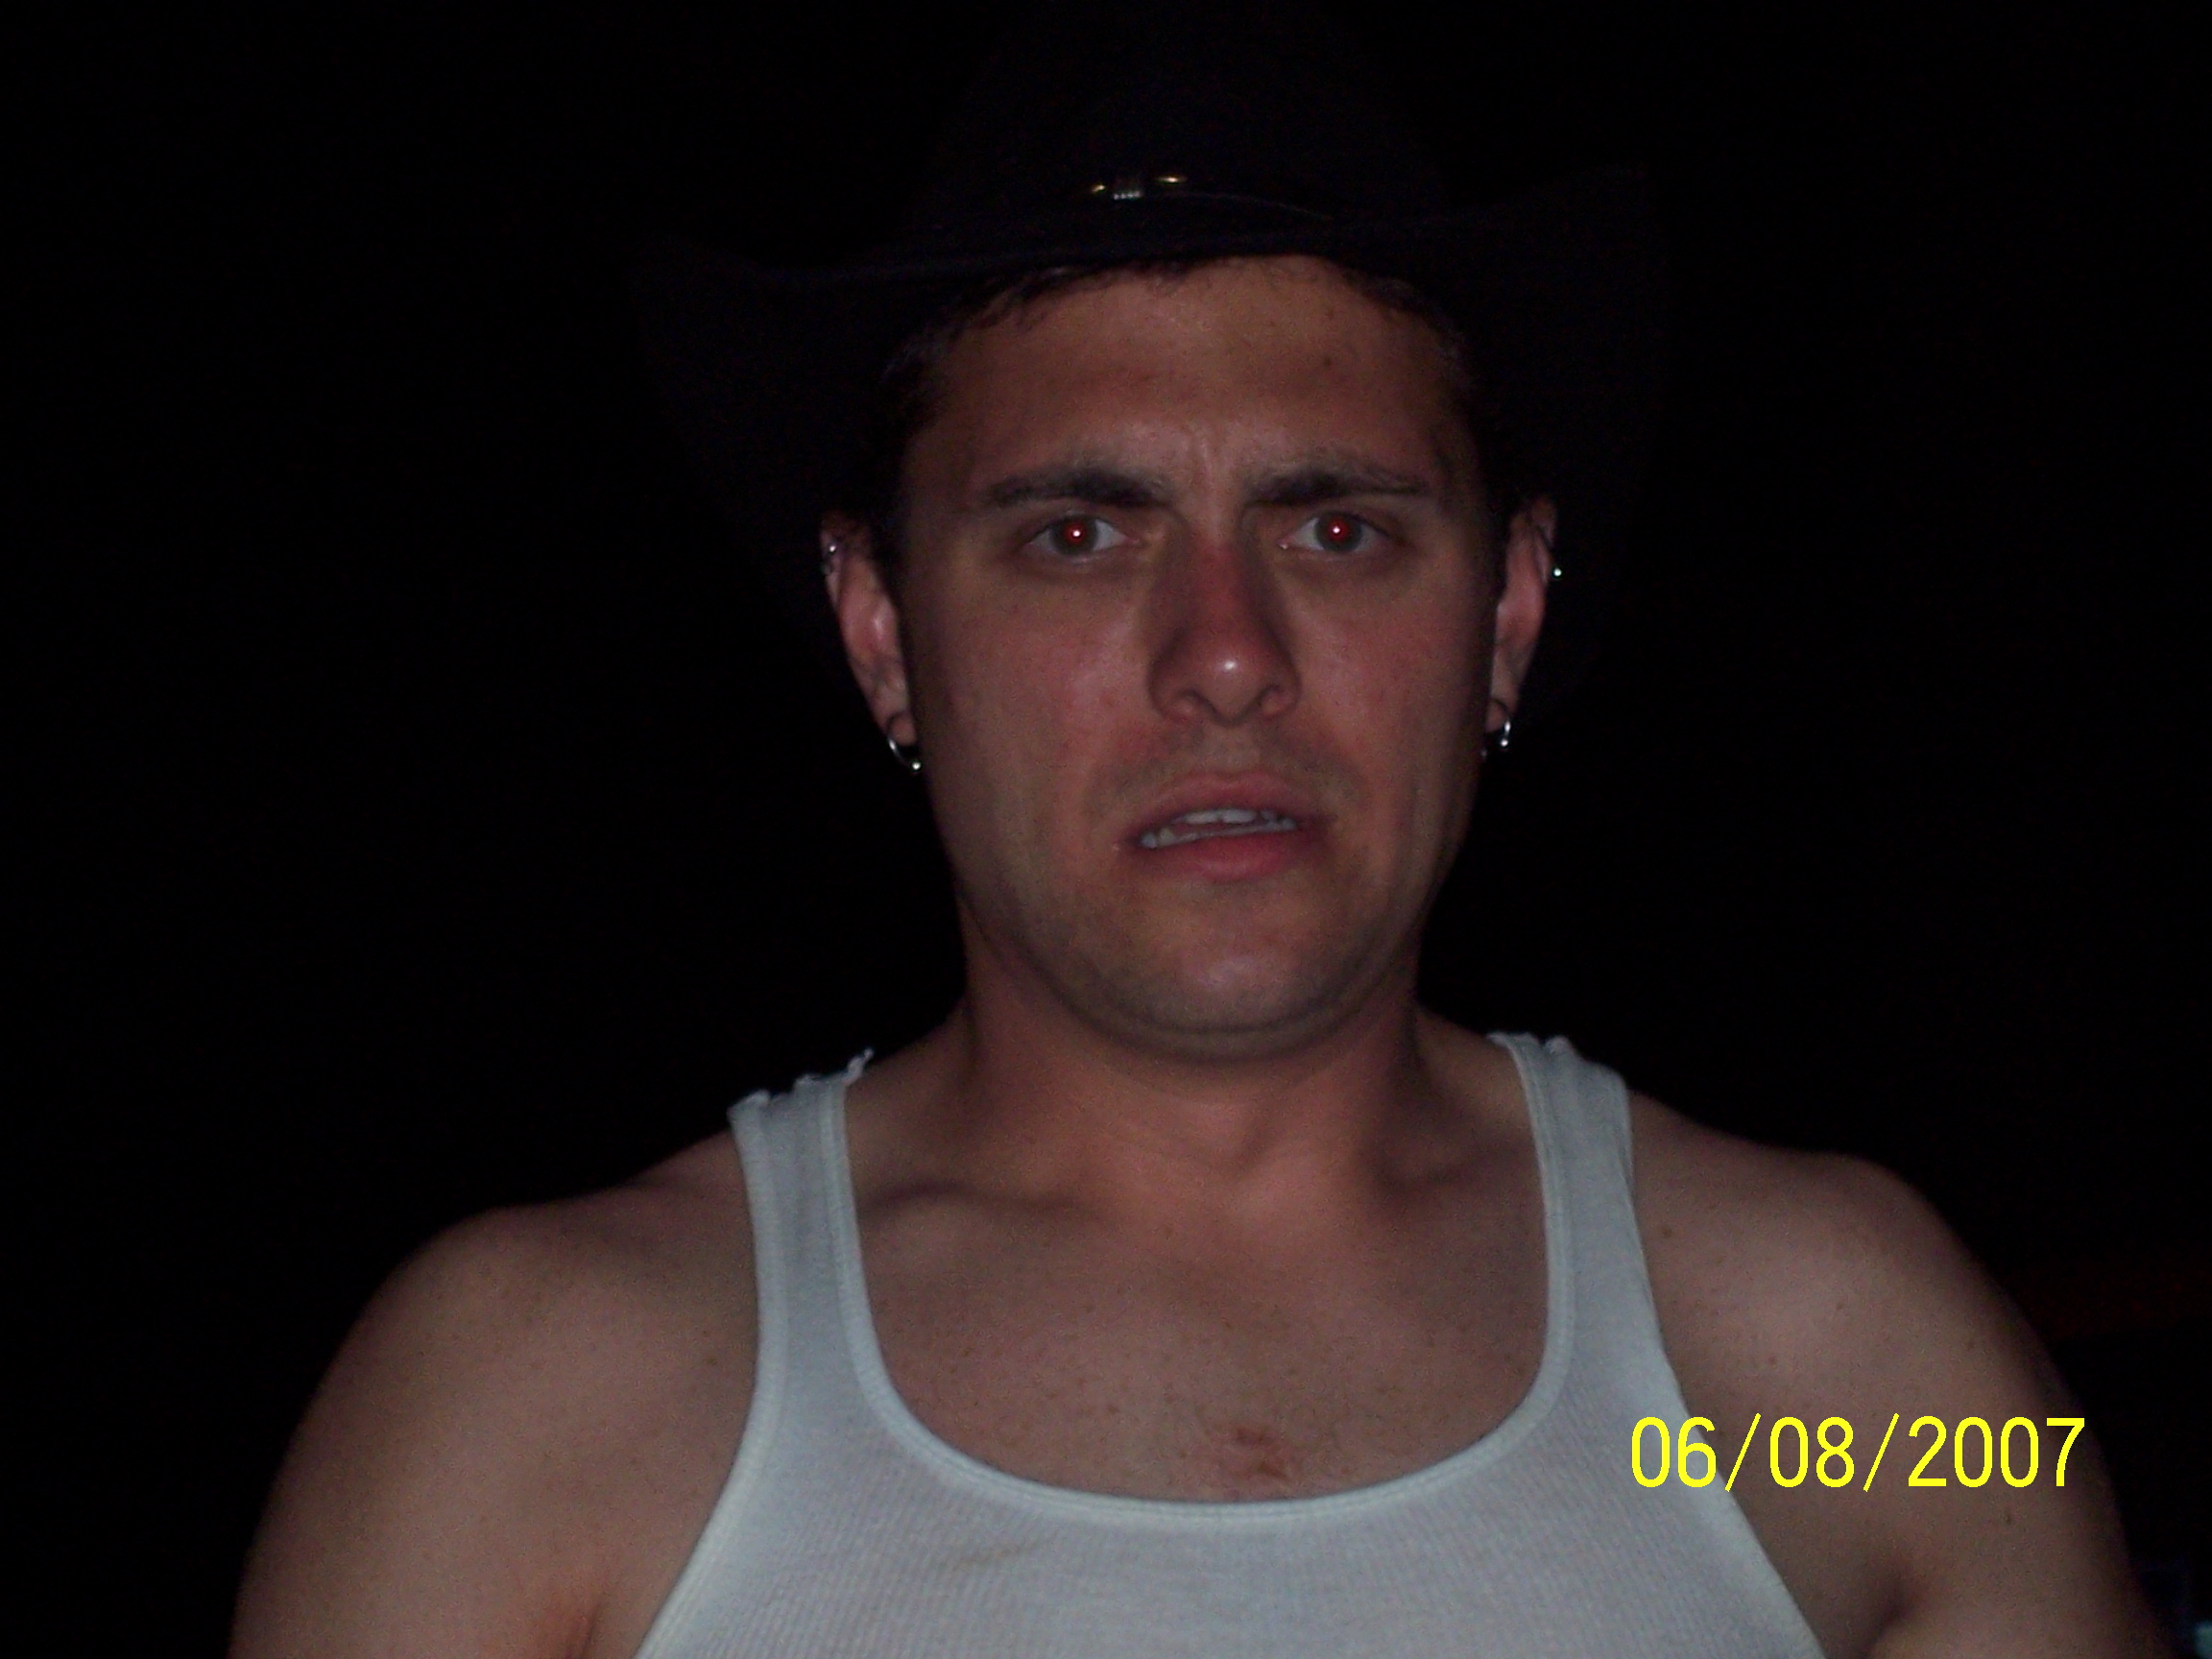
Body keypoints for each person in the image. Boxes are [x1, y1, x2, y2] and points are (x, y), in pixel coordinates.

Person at [230, 3, 2164, 1655]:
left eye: (1338, 528)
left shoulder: (1846, 1372)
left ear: (1508, 609)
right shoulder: (533, 1403)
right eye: (1079, 535)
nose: (1226, 657)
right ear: (883, 630)